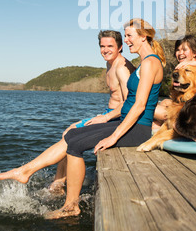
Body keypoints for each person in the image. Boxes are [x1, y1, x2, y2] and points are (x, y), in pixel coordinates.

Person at [0, 18, 166, 219]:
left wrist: (113, 136)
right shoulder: (144, 63)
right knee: (72, 135)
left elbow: (139, 105)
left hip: (137, 129)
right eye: (125, 35)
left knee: (75, 146)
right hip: (127, 123)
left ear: (143, 37)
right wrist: (106, 118)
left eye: (129, 36)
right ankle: (25, 171)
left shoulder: (151, 63)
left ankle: (71, 206)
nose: (126, 40)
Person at [50, 30, 135, 193]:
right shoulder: (109, 64)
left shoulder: (121, 68)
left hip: (116, 118)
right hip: (108, 113)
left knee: (70, 134)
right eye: (102, 46)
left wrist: (106, 117)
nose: (105, 50)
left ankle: (58, 183)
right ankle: (60, 181)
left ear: (120, 47)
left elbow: (128, 103)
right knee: (69, 131)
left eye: (110, 46)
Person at [152, 35, 196, 131]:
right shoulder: (182, 66)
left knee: (157, 110)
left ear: (195, 53)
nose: (180, 53)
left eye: (184, 50)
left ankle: (164, 126)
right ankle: (158, 127)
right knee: (164, 102)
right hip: (190, 101)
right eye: (178, 50)